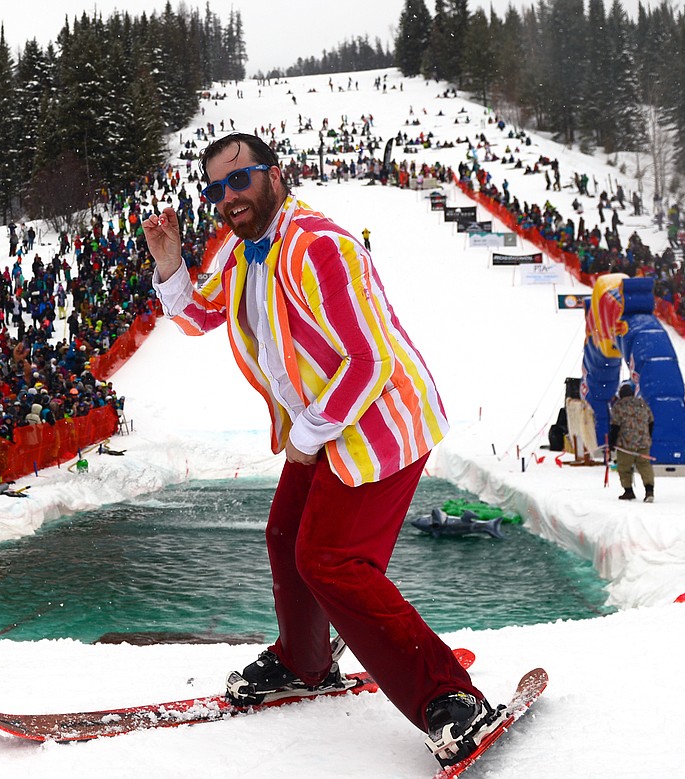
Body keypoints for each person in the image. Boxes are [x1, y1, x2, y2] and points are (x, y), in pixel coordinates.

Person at [143, 133, 491, 770]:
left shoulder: (320, 245)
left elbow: (370, 360)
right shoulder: (244, 251)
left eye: (239, 179)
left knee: (331, 559)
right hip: (326, 424)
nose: (229, 197)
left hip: (381, 421)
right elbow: (202, 316)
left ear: (274, 176)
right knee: (285, 535)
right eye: (217, 187)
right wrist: (171, 264)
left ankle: (452, 701)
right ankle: (304, 663)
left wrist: (304, 439)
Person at [608, 382, 655, 502]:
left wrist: (611, 443)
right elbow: (651, 421)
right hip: (643, 442)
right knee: (644, 465)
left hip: (626, 443)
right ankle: (649, 491)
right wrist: (647, 435)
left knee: (624, 467)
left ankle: (628, 491)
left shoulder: (619, 406)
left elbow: (615, 426)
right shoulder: (642, 403)